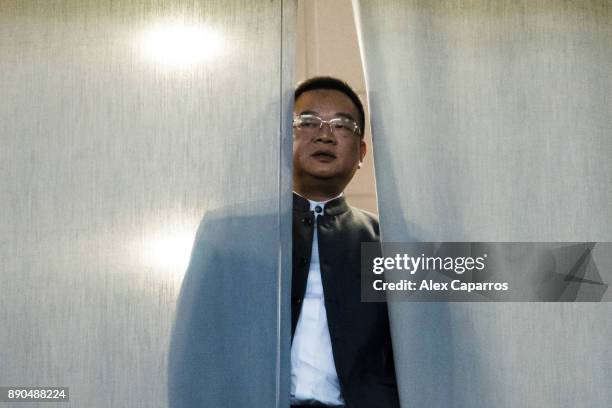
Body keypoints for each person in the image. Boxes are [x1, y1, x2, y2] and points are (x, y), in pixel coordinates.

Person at [291, 76, 400, 408]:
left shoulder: (387, 243)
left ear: (361, 152)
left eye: (342, 125)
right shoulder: (236, 237)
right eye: (308, 122)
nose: (325, 134)